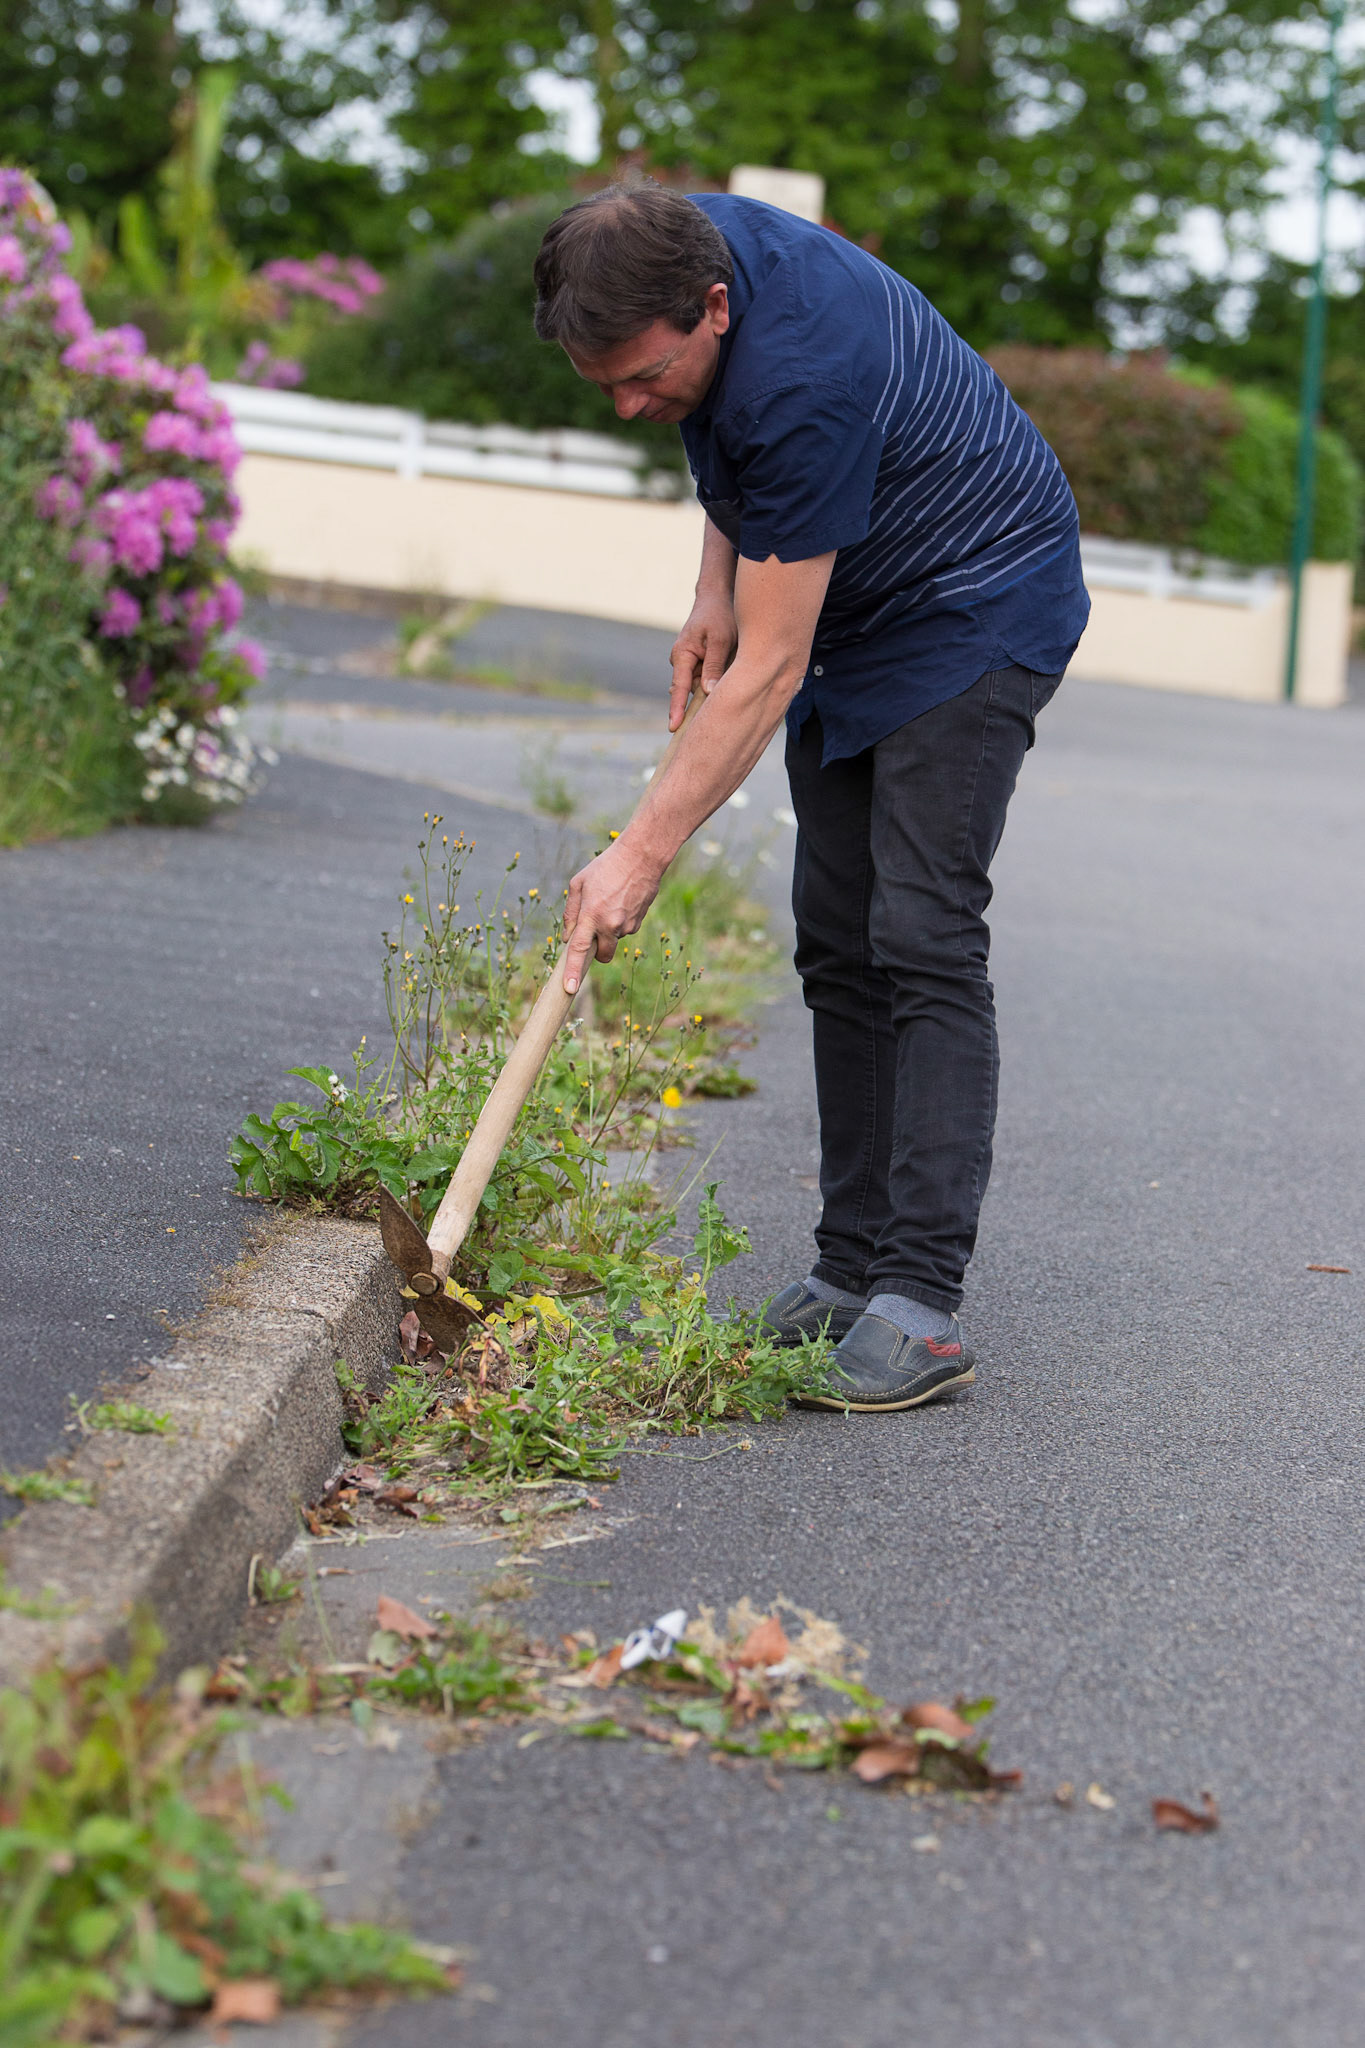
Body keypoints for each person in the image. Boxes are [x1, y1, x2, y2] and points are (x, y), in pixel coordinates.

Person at [533, 181, 1089, 1414]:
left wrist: (638, 853)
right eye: (602, 384)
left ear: (714, 308)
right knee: (839, 937)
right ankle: (850, 1271)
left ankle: (920, 1301)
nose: (628, 404)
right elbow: (728, 456)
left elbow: (768, 674)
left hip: (976, 602)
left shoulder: (800, 373)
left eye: (641, 378)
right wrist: (712, 584)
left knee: (922, 930)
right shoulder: (676, 243)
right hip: (856, 599)